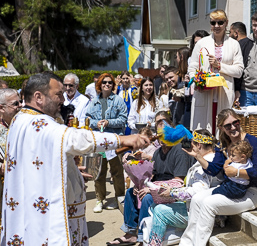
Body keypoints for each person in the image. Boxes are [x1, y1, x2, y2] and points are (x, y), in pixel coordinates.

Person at [0, 72, 149, 245]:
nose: (62, 100)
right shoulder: (38, 123)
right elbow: (74, 138)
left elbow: (36, 158)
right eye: (57, 94)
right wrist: (122, 139)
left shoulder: (21, 119)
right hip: (43, 215)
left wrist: (65, 166)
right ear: (39, 97)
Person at [179, 108, 257, 246]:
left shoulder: (251, 141)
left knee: (208, 204)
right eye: (228, 125)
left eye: (235, 122)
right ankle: (186, 243)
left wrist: (236, 173)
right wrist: (199, 157)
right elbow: (213, 170)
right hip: (229, 189)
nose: (233, 127)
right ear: (221, 128)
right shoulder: (223, 144)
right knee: (196, 199)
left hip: (252, 192)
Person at [108, 111, 193, 245]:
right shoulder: (158, 152)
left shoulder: (179, 150)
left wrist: (151, 189)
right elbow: (152, 175)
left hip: (172, 190)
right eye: (158, 133)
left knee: (148, 197)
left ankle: (143, 237)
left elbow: (179, 181)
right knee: (131, 192)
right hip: (156, 184)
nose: (160, 136)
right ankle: (130, 233)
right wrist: (139, 185)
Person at [147, 129, 221, 246]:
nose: (189, 146)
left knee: (160, 211)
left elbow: (199, 191)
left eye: (191, 144)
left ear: (199, 145)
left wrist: (172, 192)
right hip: (208, 210)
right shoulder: (215, 159)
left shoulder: (203, 164)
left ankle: (154, 244)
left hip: (201, 214)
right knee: (155, 205)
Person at [189, 9, 244, 133]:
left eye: (220, 22)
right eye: (213, 23)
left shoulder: (234, 44)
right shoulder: (201, 43)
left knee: (223, 130)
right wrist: (196, 82)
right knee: (203, 131)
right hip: (205, 93)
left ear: (226, 23)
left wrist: (220, 66)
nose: (217, 26)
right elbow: (192, 68)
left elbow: (239, 70)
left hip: (224, 93)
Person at [86, 73, 128, 213]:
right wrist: (95, 123)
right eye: (104, 82)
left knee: (117, 171)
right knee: (98, 172)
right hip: (99, 140)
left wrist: (109, 122)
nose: (107, 85)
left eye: (110, 82)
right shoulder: (93, 102)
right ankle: (100, 199)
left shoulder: (118, 100)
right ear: (100, 84)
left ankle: (119, 197)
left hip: (114, 140)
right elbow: (87, 119)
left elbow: (123, 120)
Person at [0, 88, 22, 219]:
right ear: (1, 108)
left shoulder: (20, 124)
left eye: (20, 102)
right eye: (15, 104)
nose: (20, 106)